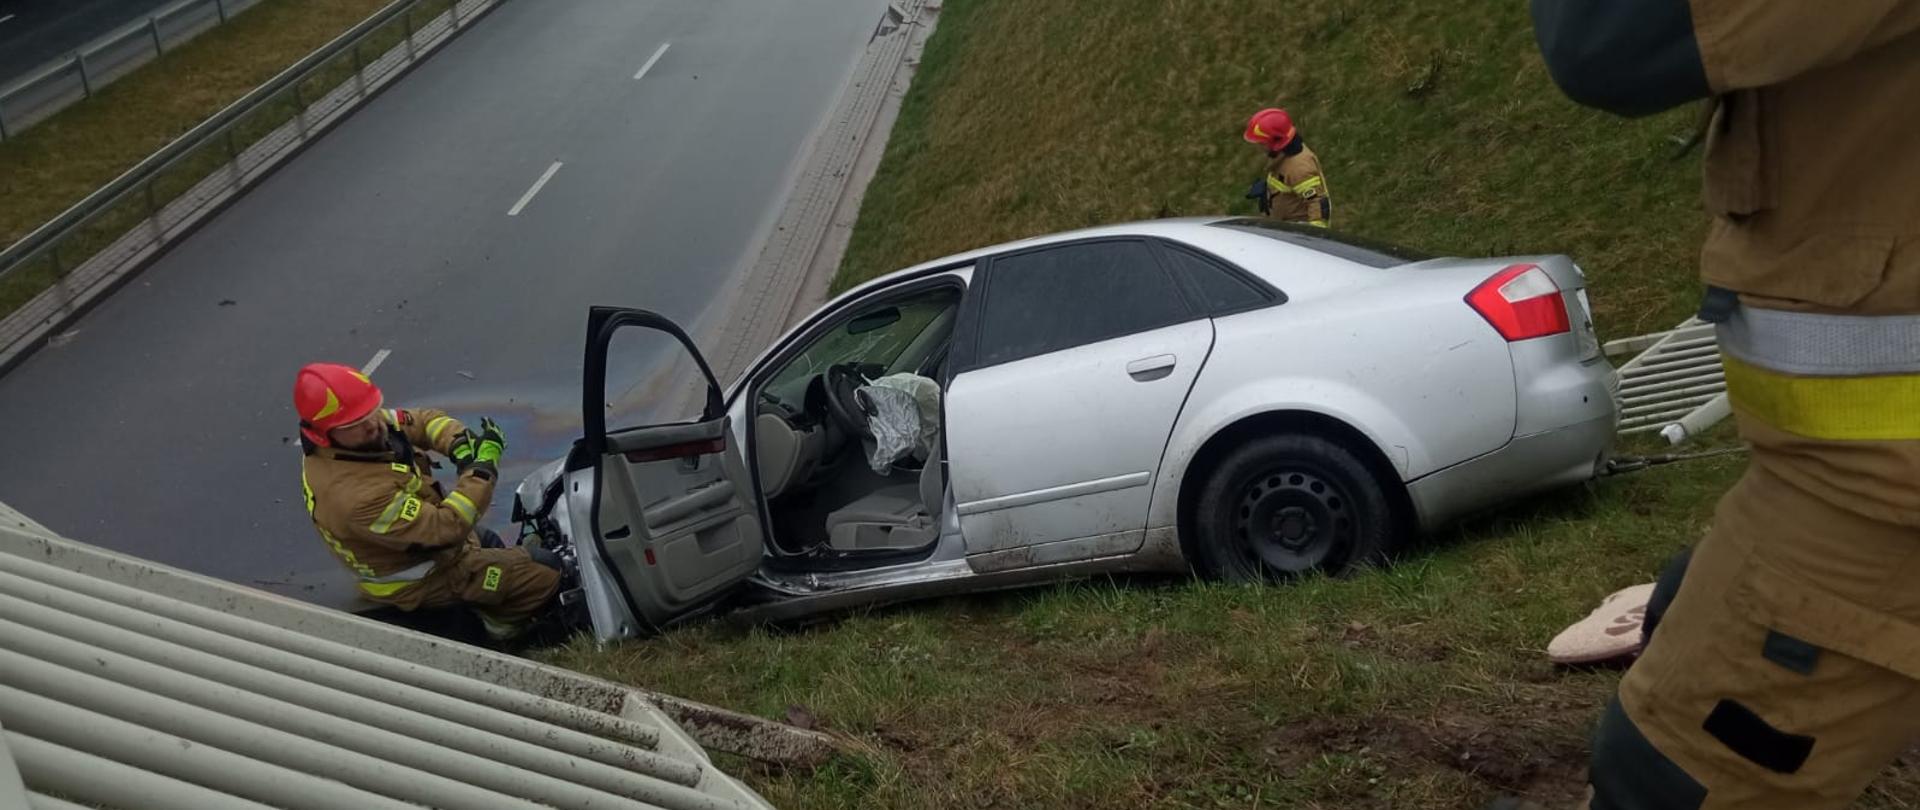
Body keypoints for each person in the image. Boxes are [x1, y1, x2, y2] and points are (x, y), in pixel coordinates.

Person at [1530, 2, 1920, 807]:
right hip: (1845, 476)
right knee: (1682, 614)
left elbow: (1608, 38)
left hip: (1879, 498)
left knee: (1667, 777)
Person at [293, 362, 560, 641]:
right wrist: (482, 468)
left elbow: (423, 421)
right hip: (421, 577)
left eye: (370, 411)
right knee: (547, 572)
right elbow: (447, 527)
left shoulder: (354, 434)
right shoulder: (355, 497)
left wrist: (458, 443)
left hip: (425, 547)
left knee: (491, 542)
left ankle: (498, 594)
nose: (372, 424)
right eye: (355, 424)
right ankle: (501, 632)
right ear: (323, 435)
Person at [1242, 107, 1331, 228]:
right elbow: (1288, 182)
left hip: (1296, 233)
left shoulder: (1299, 167)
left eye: (1262, 143)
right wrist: (1268, 190)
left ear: (1276, 140)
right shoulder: (1281, 155)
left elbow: (1317, 203)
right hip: (1282, 227)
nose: (1259, 147)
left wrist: (1313, 234)